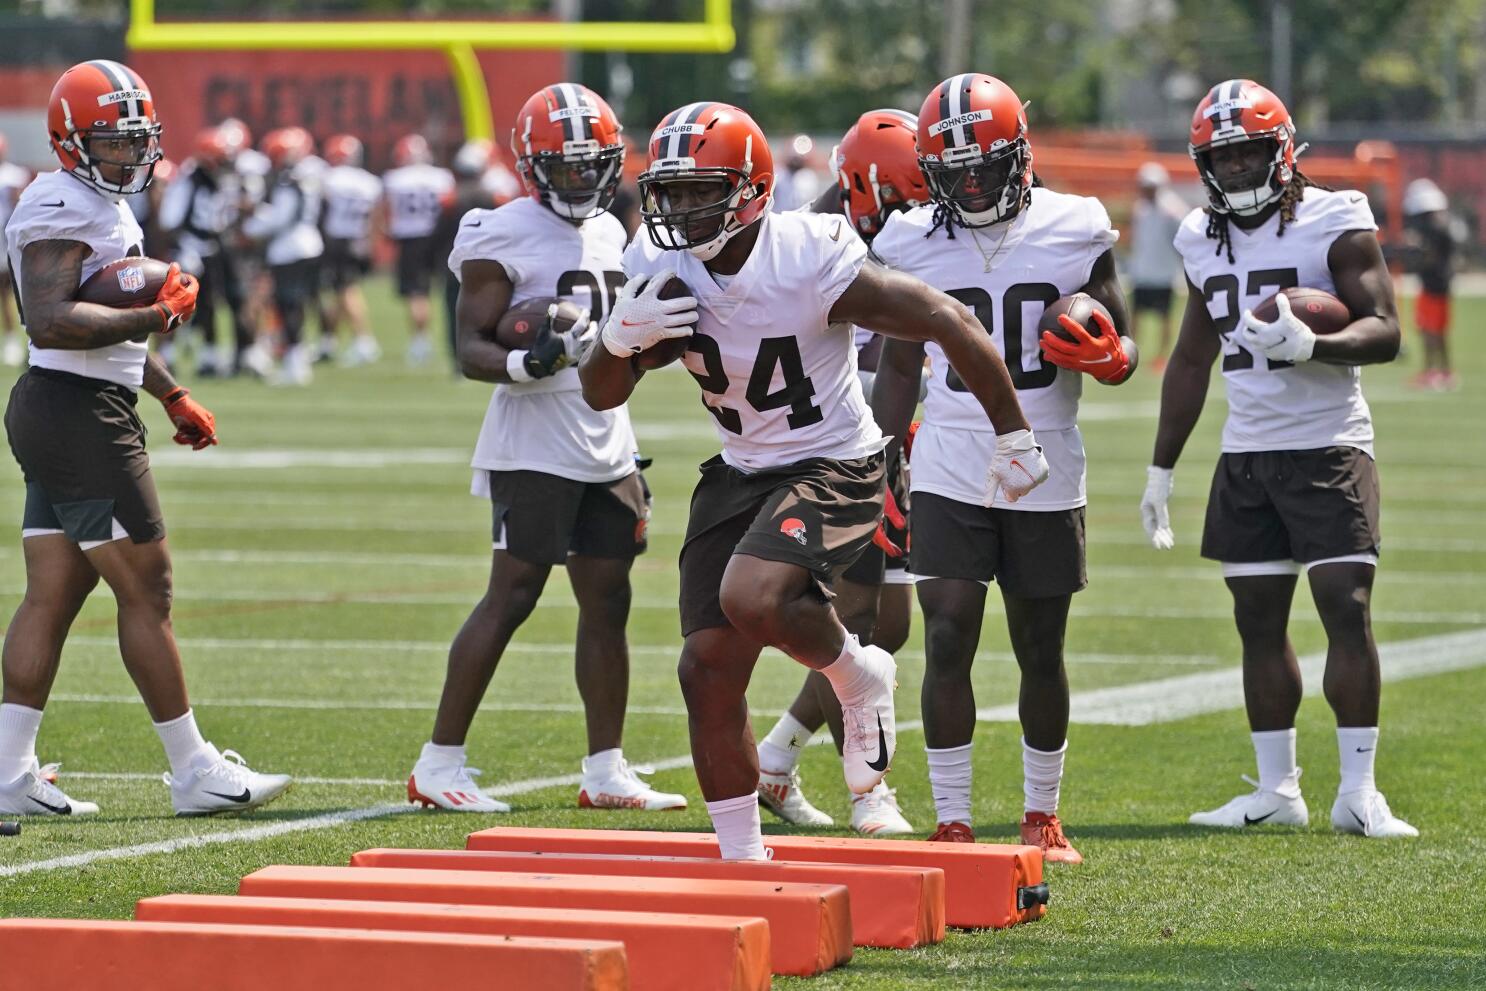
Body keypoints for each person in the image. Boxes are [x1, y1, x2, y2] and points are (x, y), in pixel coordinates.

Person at [579, 101, 1046, 860]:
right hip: (740, 471)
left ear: (752, 189)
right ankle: (743, 858)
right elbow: (601, 392)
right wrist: (616, 338)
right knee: (705, 669)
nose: (680, 209)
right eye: (670, 190)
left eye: (702, 190)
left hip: (837, 462)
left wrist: (1015, 432)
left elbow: (946, 318)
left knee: (751, 594)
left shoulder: (805, 252)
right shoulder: (657, 263)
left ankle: (858, 678)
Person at [0, 60, 290, 818]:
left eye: (137, 140)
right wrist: (155, 317)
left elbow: (94, 324)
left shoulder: (94, 201)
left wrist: (171, 390)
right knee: (149, 586)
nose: (130, 154)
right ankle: (193, 768)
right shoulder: (62, 200)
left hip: (69, 402)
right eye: (112, 140)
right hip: (78, 411)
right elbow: (50, 316)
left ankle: (5, 769)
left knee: (55, 590)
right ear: (70, 141)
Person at [870, 74, 1135, 863]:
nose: (976, 182)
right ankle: (952, 818)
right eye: (958, 171)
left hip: (1047, 454)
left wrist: (1113, 353)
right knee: (947, 632)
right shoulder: (911, 237)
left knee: (1039, 643)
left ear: (1022, 155)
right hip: (951, 453)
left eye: (988, 163)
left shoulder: (1075, 224)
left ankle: (1040, 813)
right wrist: (885, 457)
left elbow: (1114, 335)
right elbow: (896, 363)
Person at [1141, 79, 1414, 839]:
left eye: (1247, 153)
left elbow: (1387, 330)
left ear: (1283, 150)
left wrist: (1316, 344)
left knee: (1346, 611)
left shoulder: (1336, 215)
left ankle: (1359, 790)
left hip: (1328, 444)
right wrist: (1163, 468)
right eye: (1219, 158)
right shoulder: (1200, 235)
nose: (1233, 170)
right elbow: (1192, 359)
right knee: (1257, 621)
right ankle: (1276, 788)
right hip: (1248, 455)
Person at [407, 83, 683, 815]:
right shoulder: (499, 230)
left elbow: (619, 339)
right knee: (514, 594)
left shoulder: (614, 229)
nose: (579, 178)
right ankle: (439, 761)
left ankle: (605, 769)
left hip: (608, 436)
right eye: (563, 166)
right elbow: (469, 346)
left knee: (609, 599)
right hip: (532, 439)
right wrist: (525, 363)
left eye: (590, 163)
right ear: (532, 165)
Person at [754, 108, 931, 836]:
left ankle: (777, 755)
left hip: (890, 440)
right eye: (906, 196)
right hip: (830, 452)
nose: (919, 211)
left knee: (886, 624)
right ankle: (869, 792)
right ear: (863, 187)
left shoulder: (894, 229)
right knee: (853, 619)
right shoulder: (810, 242)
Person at [242, 127, 324, 386]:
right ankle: (295, 358)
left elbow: (280, 219)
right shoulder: (307, 175)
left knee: (288, 306)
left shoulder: (290, 180)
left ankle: (295, 363)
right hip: (306, 244)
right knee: (294, 305)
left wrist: (251, 225)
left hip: (290, 248)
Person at [431, 139, 504, 375]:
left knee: (455, 312)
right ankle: (494, 355)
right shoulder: (494, 198)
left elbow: (439, 233)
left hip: (456, 263)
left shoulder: (451, 199)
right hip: (492, 264)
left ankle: (458, 359)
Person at [381, 134, 454, 366]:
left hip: (410, 238)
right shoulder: (442, 177)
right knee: (445, 292)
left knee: (416, 292)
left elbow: (384, 211)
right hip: (439, 238)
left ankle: (420, 342)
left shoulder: (394, 179)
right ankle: (442, 338)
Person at [318, 134, 383, 366]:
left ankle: (364, 341)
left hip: (337, 240)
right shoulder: (369, 181)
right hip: (358, 238)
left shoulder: (328, 178)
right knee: (340, 292)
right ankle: (329, 340)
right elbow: (375, 217)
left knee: (346, 291)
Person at [1401, 178, 1462, 390]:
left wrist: (1414, 250)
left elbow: (1429, 257)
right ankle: (1443, 371)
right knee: (1438, 331)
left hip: (1433, 286)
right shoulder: (1445, 224)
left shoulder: (1433, 229)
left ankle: (1431, 372)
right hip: (1440, 285)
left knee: (1430, 331)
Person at [1127, 162, 1188, 370]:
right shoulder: (1140, 208)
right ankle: (1129, 352)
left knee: (1165, 318)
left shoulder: (1173, 210)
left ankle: (1161, 358)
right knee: (1135, 316)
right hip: (1142, 272)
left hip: (1164, 274)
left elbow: (1183, 243)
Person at [0, 133, 34, 368]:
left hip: (9, 240)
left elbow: (20, 205)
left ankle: (21, 341)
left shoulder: (14, 174)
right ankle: (13, 340)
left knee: (15, 291)